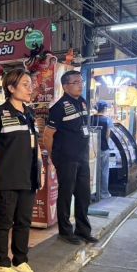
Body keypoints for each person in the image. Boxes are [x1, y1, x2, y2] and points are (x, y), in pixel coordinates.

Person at [0, 68, 42, 272]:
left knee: (24, 222)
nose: (30, 88)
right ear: (11, 88)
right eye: (25, 84)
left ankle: (20, 261)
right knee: (4, 222)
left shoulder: (30, 113)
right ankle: (2, 264)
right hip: (5, 178)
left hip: (28, 178)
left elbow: (35, 145)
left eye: (30, 84)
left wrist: (40, 169)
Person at [42, 70, 98, 245]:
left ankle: (83, 231)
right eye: (76, 82)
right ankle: (65, 232)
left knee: (83, 195)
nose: (80, 85)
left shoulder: (82, 102)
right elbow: (47, 136)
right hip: (66, 158)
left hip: (82, 157)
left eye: (81, 82)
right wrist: (54, 157)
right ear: (65, 86)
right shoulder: (58, 108)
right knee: (66, 195)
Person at [91, 101, 113, 199]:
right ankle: (104, 193)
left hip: (92, 149)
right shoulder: (107, 120)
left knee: (92, 170)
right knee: (104, 171)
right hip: (103, 148)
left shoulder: (90, 118)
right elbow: (107, 135)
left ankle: (92, 192)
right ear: (104, 109)